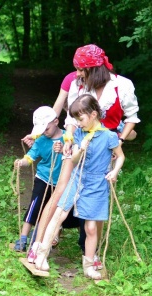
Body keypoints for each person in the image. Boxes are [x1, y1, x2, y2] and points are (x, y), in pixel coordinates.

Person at [27, 44, 140, 268]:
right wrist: (68, 140)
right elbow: (70, 120)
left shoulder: (122, 85)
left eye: (81, 69)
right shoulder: (77, 85)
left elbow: (132, 118)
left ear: (94, 68)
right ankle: (38, 247)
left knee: (97, 200)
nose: (77, 74)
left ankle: (92, 254)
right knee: (60, 191)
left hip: (103, 148)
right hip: (78, 144)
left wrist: (118, 141)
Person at [34, 94, 125, 280]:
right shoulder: (79, 134)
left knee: (91, 227)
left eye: (81, 119)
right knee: (59, 214)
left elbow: (120, 156)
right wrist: (80, 148)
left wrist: (114, 172)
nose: (79, 123)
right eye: (76, 119)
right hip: (78, 178)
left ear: (93, 115)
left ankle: (89, 265)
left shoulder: (109, 136)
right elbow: (73, 159)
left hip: (97, 184)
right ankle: (41, 255)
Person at [13, 106, 65, 252]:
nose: (44, 133)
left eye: (46, 129)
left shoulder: (68, 137)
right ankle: (23, 237)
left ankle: (49, 236)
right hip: (43, 178)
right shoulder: (41, 140)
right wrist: (21, 162)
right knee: (34, 206)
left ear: (56, 121)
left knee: (55, 210)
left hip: (61, 182)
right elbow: (30, 157)